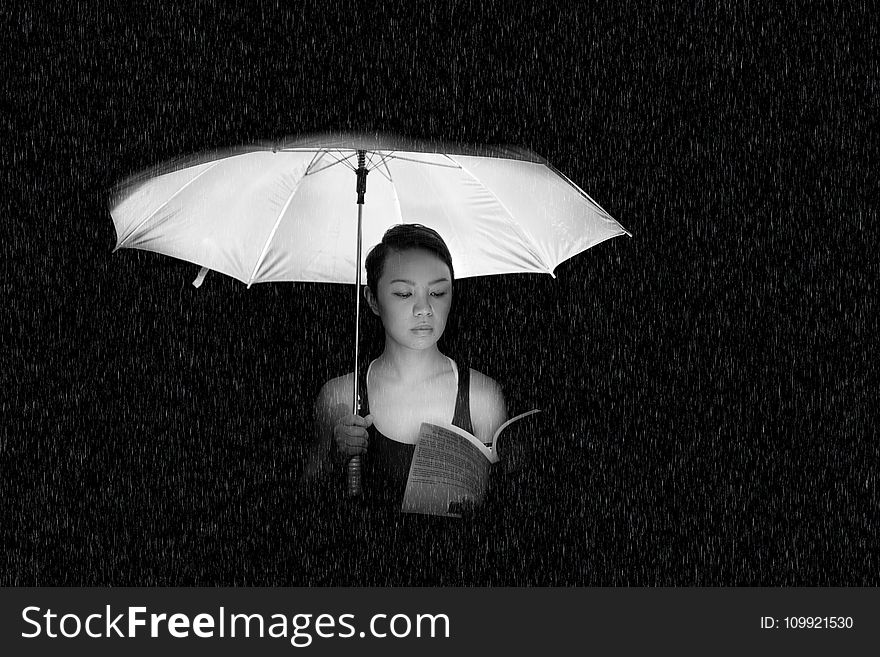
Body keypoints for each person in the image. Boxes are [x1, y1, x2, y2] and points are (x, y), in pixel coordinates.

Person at [302, 224, 508, 508]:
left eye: (437, 293)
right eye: (403, 294)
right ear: (372, 299)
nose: (423, 309)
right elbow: (305, 496)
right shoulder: (341, 395)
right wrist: (336, 458)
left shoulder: (481, 397)